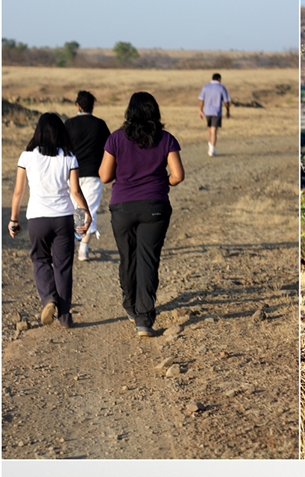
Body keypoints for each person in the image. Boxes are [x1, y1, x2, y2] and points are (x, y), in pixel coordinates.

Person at [98, 92, 185, 338]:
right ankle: (144, 320)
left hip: (122, 208)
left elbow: (104, 176)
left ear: (130, 112)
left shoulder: (115, 139)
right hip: (155, 207)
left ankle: (129, 305)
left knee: (128, 257)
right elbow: (177, 175)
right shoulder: (166, 139)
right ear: (155, 112)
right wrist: (161, 182)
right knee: (148, 260)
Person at [8, 113, 91, 329]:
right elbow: (75, 191)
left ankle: (48, 299)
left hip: (37, 218)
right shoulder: (69, 157)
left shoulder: (26, 157)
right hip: (63, 218)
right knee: (63, 267)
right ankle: (65, 317)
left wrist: (13, 220)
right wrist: (85, 216)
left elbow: (18, 192)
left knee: (40, 260)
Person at [65, 90, 111, 262]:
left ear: (78, 105)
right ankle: (83, 249)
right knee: (89, 209)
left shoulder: (69, 124)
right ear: (93, 106)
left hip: (71, 173)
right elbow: (109, 149)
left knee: (75, 208)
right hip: (93, 173)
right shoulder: (100, 125)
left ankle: (72, 246)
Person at [198, 73, 230, 157]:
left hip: (207, 111)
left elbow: (201, 100)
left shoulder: (206, 87)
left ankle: (210, 147)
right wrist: (228, 111)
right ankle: (212, 149)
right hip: (217, 112)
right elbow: (226, 102)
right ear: (219, 79)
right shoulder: (221, 88)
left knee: (209, 130)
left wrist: (200, 110)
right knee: (214, 131)